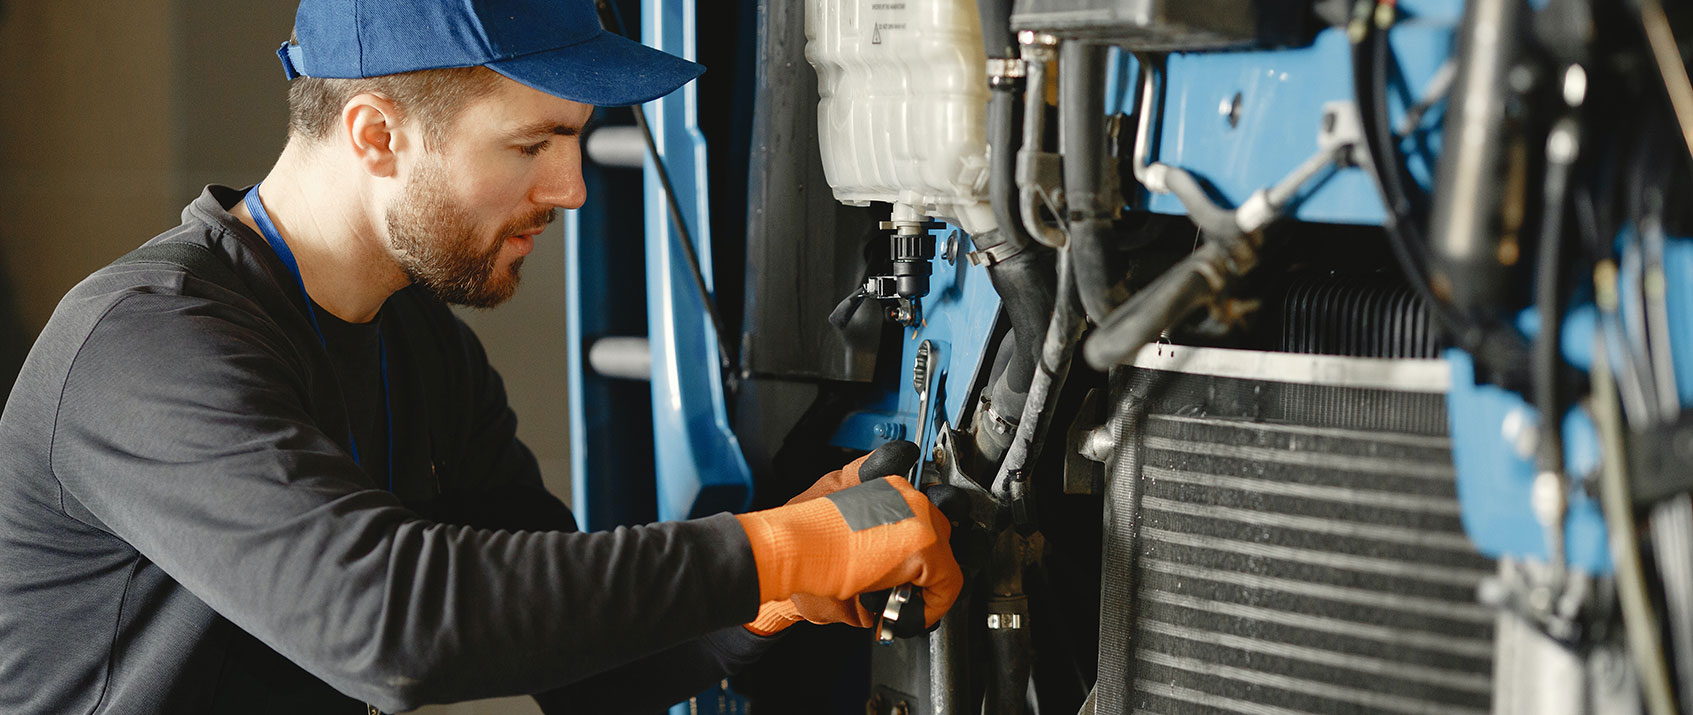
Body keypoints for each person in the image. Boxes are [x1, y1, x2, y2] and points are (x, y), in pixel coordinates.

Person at [0, 0, 962, 712]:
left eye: (578, 142)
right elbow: (389, 624)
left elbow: (579, 658)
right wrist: (774, 547)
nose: (573, 188)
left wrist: (771, 593)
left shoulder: (419, 349)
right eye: (533, 143)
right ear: (377, 133)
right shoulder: (142, 345)